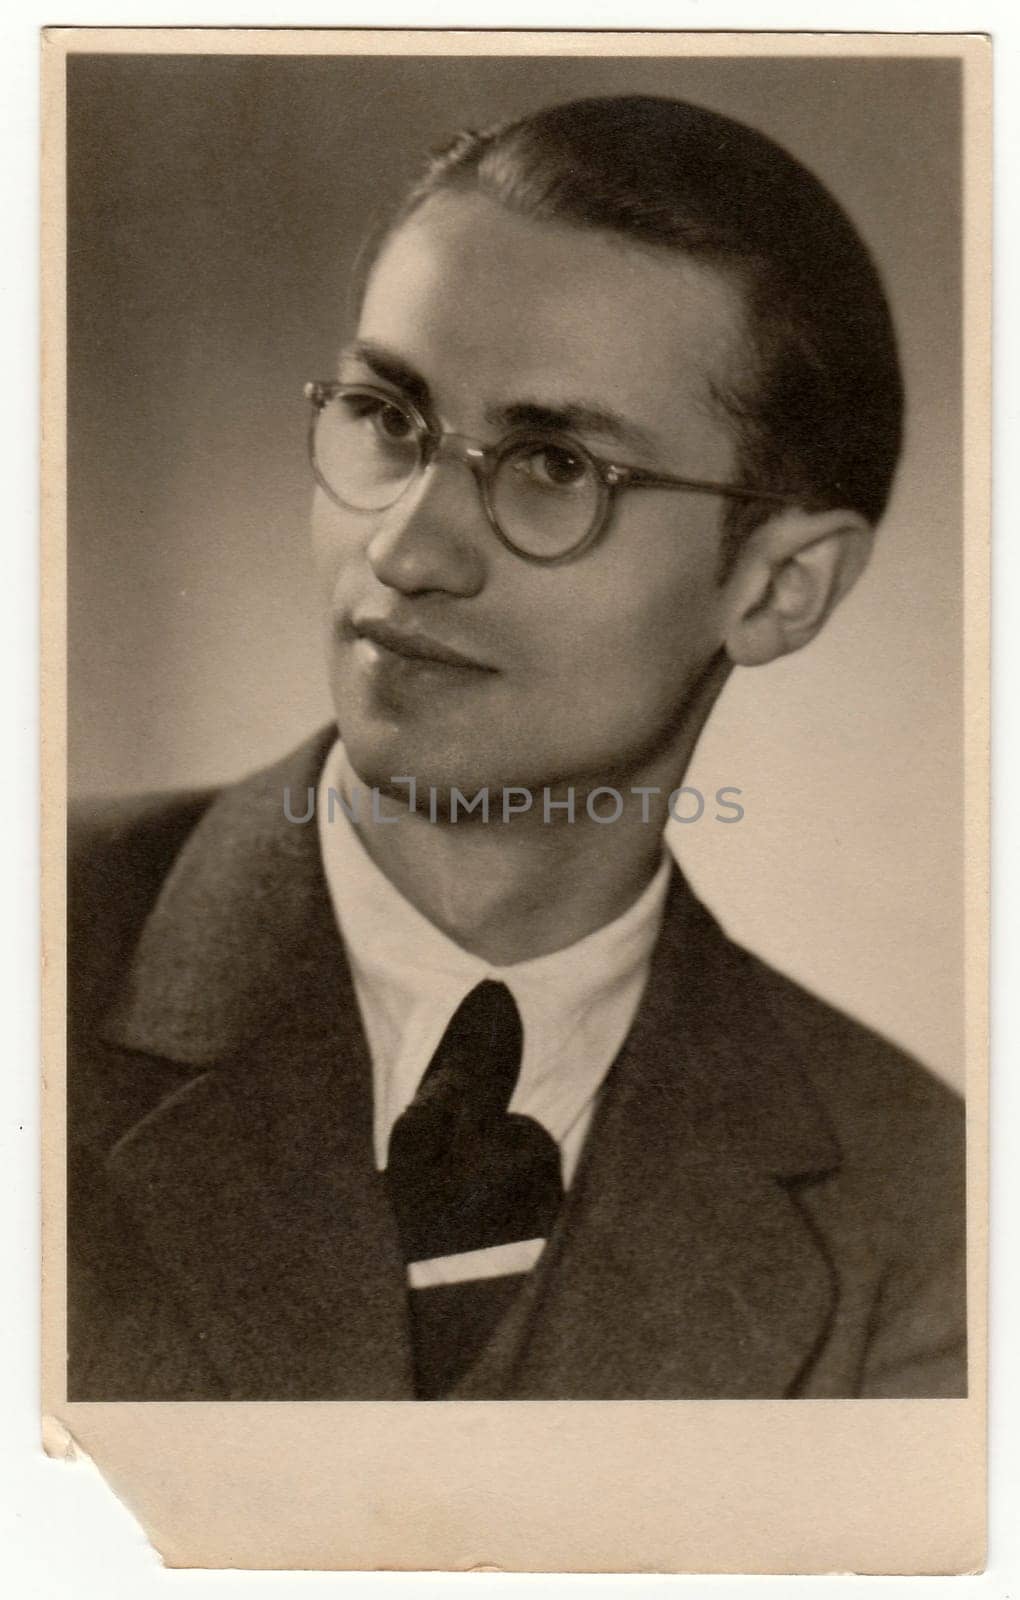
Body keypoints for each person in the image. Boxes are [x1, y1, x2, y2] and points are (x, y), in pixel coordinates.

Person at [67, 94, 966, 1401]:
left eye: (553, 465)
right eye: (387, 416)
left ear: (780, 589)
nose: (404, 548)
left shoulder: (924, 1210)